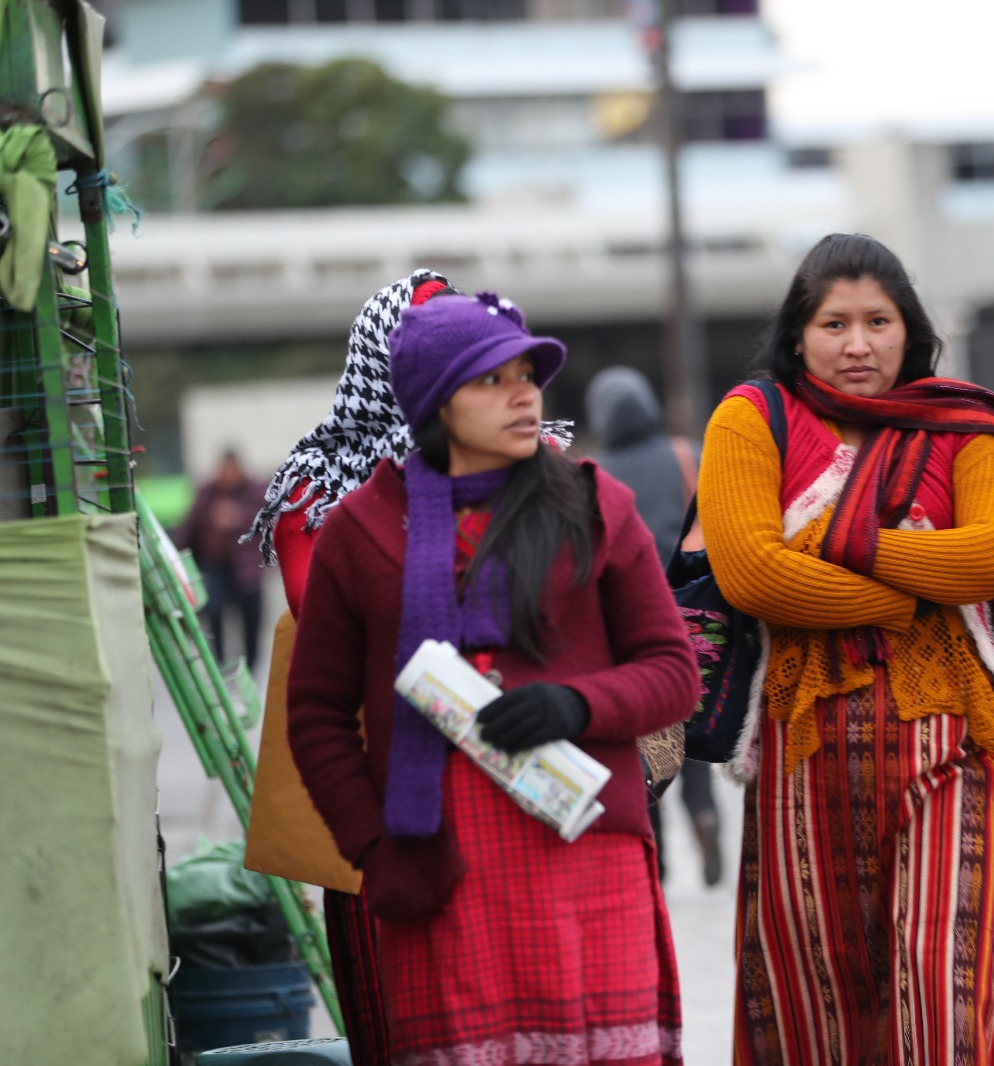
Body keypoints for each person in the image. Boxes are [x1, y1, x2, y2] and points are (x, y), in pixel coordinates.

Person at [286, 290, 699, 1063]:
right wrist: (374, 847)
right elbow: (315, 714)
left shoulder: (592, 504)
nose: (523, 395)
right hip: (443, 868)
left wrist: (575, 704)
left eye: (527, 374)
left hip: (587, 852)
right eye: (491, 380)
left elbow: (674, 672)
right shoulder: (361, 530)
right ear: (436, 404)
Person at [697, 233, 994, 1065]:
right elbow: (750, 576)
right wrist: (915, 589)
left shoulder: (966, 421)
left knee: (942, 993)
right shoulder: (751, 419)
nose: (858, 345)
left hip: (951, 741)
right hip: (802, 753)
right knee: (818, 1003)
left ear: (910, 328)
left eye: (878, 321)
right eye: (834, 324)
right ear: (797, 335)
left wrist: (840, 548)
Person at [244, 267, 456, 1063]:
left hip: (501, 783)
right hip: (378, 792)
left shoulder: (519, 460)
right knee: (394, 1007)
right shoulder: (317, 489)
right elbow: (338, 623)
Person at [585, 365, 724, 887]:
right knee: (691, 722)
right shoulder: (688, 454)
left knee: (649, 734)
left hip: (630, 624)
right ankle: (705, 816)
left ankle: (658, 855)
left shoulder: (595, 474)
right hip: (695, 615)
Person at [179, 448, 267, 671]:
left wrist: (237, 518)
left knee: (251, 618)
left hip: (247, 569)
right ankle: (219, 662)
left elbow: (267, 520)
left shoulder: (254, 490)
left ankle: (251, 664)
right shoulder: (208, 492)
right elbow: (191, 524)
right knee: (214, 610)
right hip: (214, 565)